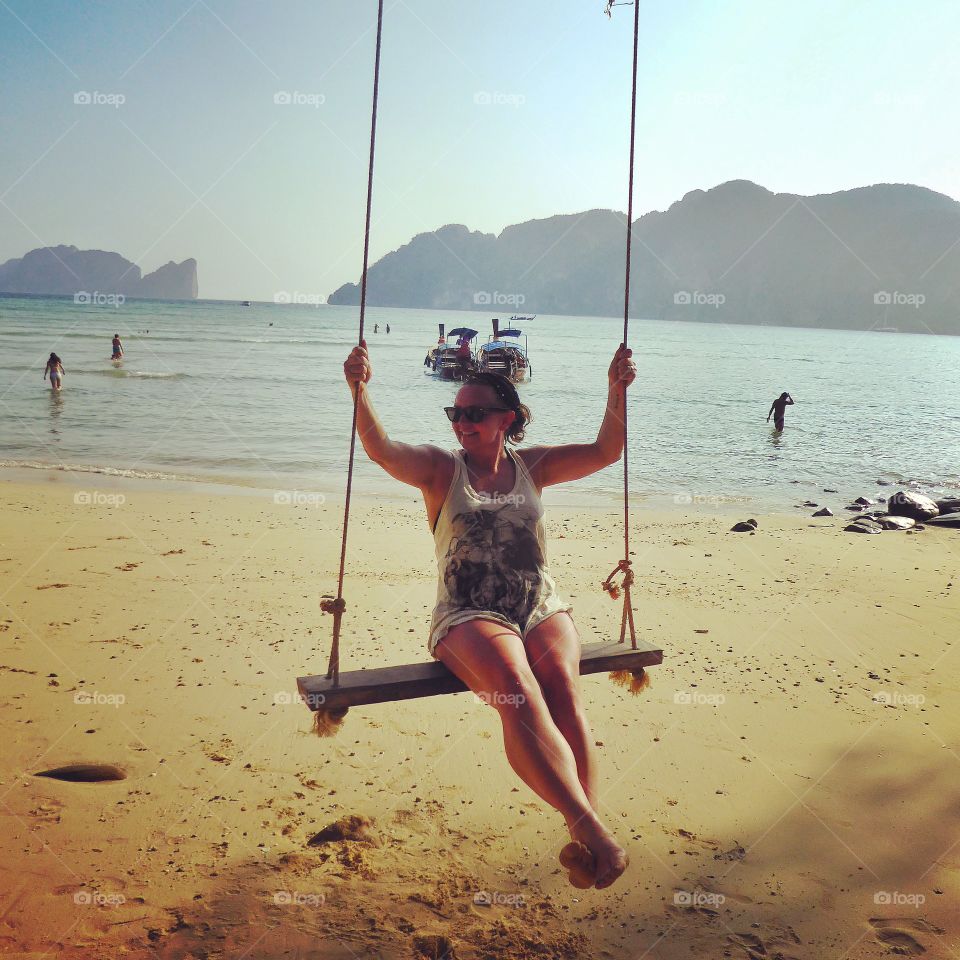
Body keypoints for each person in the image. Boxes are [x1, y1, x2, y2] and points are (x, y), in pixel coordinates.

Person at [343, 338, 637, 890]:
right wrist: (360, 391)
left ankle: (584, 834)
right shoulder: (438, 469)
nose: (462, 423)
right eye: (455, 413)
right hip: (468, 612)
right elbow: (381, 449)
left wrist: (614, 390)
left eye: (475, 413)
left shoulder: (535, 466)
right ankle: (594, 833)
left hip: (539, 603)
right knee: (516, 690)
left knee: (565, 693)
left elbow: (606, 451)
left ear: (509, 418)